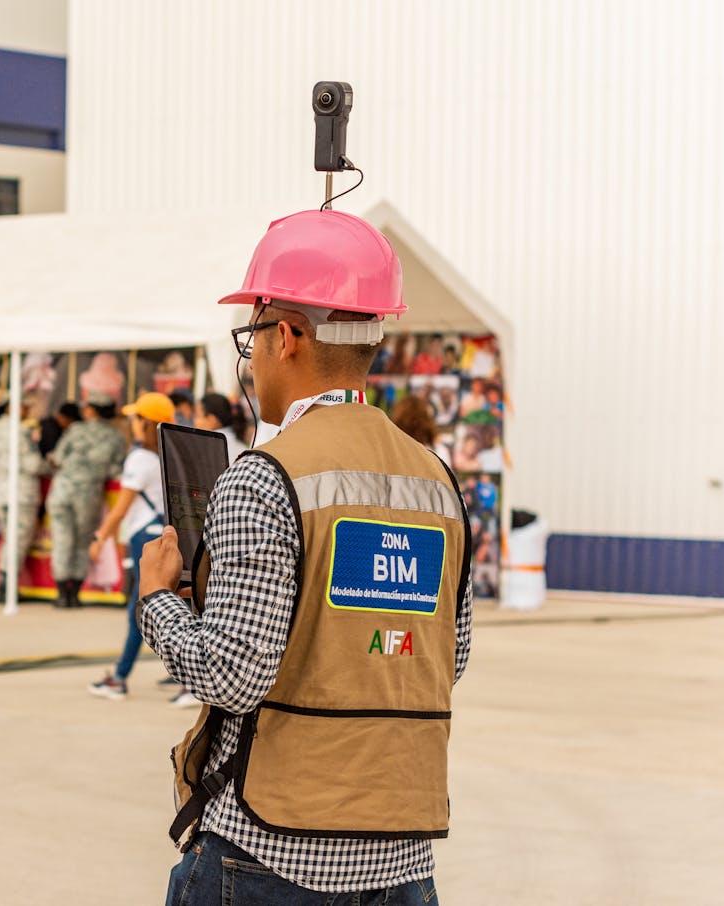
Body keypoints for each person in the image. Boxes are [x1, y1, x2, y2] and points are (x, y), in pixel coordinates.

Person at [137, 209, 474, 902]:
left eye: (251, 334)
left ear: (286, 336)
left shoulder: (264, 476)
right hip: (401, 854)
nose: (250, 355)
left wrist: (161, 602)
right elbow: (449, 654)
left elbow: (231, 674)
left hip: (272, 849)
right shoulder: (436, 480)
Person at [86, 391, 173, 699]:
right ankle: (180, 675)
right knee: (164, 607)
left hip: (142, 539)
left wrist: (100, 537)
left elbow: (121, 508)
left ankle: (120, 678)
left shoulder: (139, 459)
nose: (132, 423)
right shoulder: (169, 455)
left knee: (138, 612)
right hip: (162, 536)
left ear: (146, 423)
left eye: (136, 418)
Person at [46, 391, 128, 608]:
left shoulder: (75, 429)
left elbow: (58, 457)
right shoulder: (116, 436)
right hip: (88, 494)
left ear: (91, 409)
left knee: (62, 540)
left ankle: (62, 593)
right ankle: (75, 594)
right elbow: (116, 469)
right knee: (83, 543)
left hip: (61, 490)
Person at [0, 395, 46, 602]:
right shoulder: (21, 431)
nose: (27, 411)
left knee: (10, 538)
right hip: (21, 491)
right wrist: (48, 464)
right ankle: (6, 585)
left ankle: (4, 582)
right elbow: (32, 464)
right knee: (17, 540)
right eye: (24, 407)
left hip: (0, 490)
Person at [194, 392, 248, 459]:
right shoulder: (243, 449)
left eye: (197, 416)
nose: (194, 421)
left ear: (211, 420)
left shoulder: (207, 449)